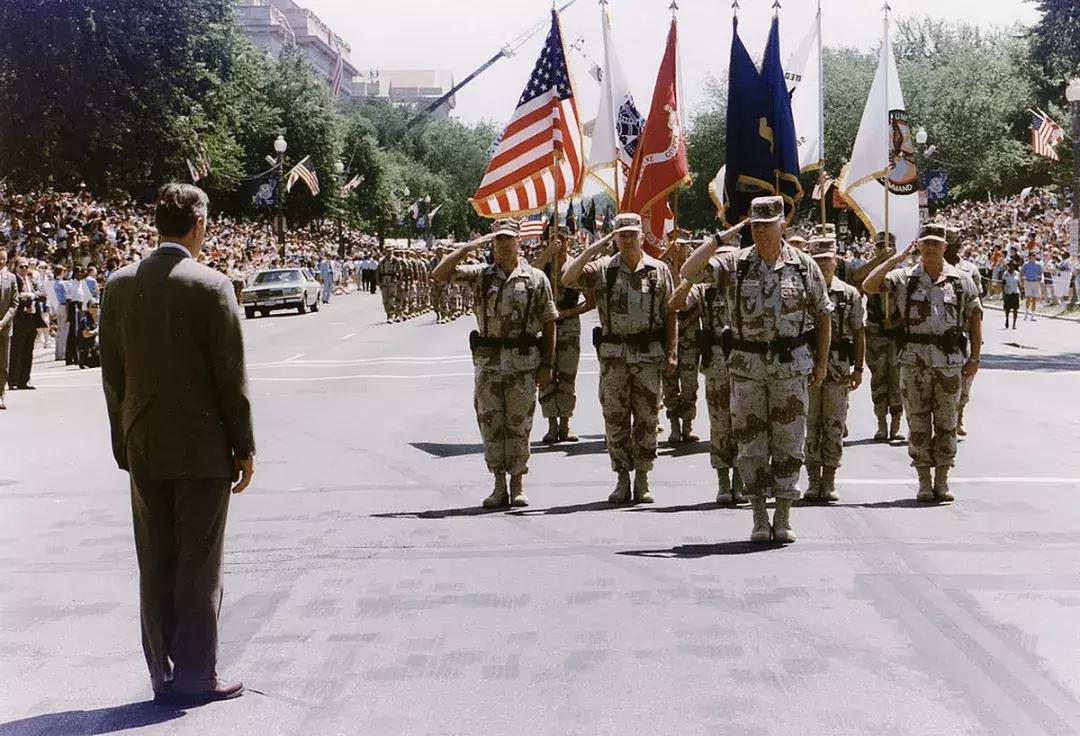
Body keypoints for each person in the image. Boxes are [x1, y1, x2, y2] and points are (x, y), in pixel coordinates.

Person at [100, 183, 255, 707]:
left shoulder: (119, 285)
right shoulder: (212, 285)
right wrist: (245, 444)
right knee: (199, 559)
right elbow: (230, 375)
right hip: (204, 446)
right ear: (198, 225)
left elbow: (113, 376)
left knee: (155, 557)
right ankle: (196, 672)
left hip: (143, 440)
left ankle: (161, 671)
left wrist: (123, 438)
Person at [681, 196, 831, 543]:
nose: (762, 231)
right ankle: (759, 517)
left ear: (784, 225)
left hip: (790, 368)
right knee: (751, 443)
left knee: (790, 442)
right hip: (747, 370)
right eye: (756, 225)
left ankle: (784, 515)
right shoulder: (734, 264)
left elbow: (823, 314)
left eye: (769, 224)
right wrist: (722, 238)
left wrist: (821, 362)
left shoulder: (804, 266)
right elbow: (688, 272)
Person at [431, 219, 557, 508]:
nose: (503, 244)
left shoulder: (536, 278)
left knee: (520, 425)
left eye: (508, 239)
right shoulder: (481, 275)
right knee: (491, 425)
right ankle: (499, 484)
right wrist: (470, 246)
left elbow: (550, 322)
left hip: (524, 364)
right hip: (489, 365)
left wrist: (547, 365)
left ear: (518, 242)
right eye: (498, 239)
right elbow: (440, 274)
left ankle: (518, 483)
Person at [562, 213, 677, 505]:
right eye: (621, 235)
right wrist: (594, 247)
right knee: (615, 419)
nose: (627, 240)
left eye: (631, 234)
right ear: (614, 237)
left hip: (649, 355)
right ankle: (622, 478)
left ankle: (643, 476)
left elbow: (670, 312)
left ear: (641, 236)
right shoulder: (603, 269)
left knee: (647, 419)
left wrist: (672, 350)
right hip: (614, 357)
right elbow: (567, 277)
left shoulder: (658, 269)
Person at [863, 223, 982, 503]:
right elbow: (869, 285)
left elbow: (974, 319)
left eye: (935, 243)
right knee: (917, 422)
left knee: (947, 423)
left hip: (949, 362)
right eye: (925, 243)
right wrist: (893, 259)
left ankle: (942, 479)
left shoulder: (961, 280)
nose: (930, 248)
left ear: (944, 246)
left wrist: (975, 358)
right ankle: (924, 481)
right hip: (914, 360)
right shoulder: (904, 278)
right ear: (918, 246)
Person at [669, 226, 745, 504]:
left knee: (746, 424)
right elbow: (676, 303)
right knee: (721, 424)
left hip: (746, 361)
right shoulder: (704, 289)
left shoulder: (747, 283)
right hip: (716, 364)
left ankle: (742, 480)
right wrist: (688, 279)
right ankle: (724, 482)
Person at [801, 228, 865, 503]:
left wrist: (859, 368)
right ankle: (813, 480)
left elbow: (859, 332)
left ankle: (830, 479)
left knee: (835, 424)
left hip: (839, 367)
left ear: (836, 262)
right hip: (808, 365)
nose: (824, 263)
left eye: (828, 258)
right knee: (810, 423)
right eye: (818, 259)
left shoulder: (849, 294)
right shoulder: (803, 292)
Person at [533, 228, 595, 444]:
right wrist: (547, 254)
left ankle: (565, 424)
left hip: (568, 326)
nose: (559, 242)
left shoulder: (574, 266)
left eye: (562, 239)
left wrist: (567, 313)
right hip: (545, 327)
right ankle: (551, 424)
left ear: (569, 241)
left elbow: (590, 302)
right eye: (553, 238)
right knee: (546, 376)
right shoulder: (543, 265)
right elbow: (529, 274)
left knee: (567, 376)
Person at [852, 232, 905, 442]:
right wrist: (879, 260)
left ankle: (896, 424)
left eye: (889, 245)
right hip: (875, 332)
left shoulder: (902, 273)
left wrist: (897, 322)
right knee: (879, 380)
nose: (885, 248)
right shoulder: (871, 271)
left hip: (897, 333)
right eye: (881, 245)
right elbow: (857, 278)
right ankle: (881, 424)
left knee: (898, 380)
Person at [661, 238, 702, 444]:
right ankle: (674, 427)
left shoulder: (694, 273)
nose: (679, 250)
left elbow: (685, 304)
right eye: (676, 246)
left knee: (689, 385)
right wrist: (667, 255)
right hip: (668, 338)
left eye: (684, 247)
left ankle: (687, 426)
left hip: (689, 338)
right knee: (669, 384)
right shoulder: (663, 271)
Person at [945, 227, 982, 437]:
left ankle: (959, 415)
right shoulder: (934, 267)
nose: (955, 246)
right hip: (944, 330)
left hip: (964, 333)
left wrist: (978, 340)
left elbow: (977, 306)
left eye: (957, 242)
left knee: (966, 377)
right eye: (950, 243)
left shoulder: (969, 270)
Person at [7, 257, 47, 395]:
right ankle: (12, 381)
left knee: (28, 351)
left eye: (26, 267)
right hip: (20, 318)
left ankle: (24, 380)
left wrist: (30, 295)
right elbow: (15, 297)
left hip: (32, 319)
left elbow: (42, 294)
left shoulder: (31, 280)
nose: (24, 269)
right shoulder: (14, 280)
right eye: (21, 267)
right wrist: (27, 298)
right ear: (16, 267)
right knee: (16, 351)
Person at [0, 247, 16, 409]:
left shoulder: (10, 278)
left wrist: (3, 321)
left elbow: (14, 302)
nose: (1, 261)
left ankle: (1, 394)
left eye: (3, 258)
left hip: (4, 328)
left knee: (3, 363)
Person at [1020, 251, 1042, 321]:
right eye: (1033, 255)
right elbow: (1021, 272)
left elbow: (1041, 272)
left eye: (1035, 255)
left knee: (1034, 299)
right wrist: (1022, 281)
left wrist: (1040, 278)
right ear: (1030, 256)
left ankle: (1033, 315)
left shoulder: (1038, 264)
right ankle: (1026, 312)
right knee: (1028, 298)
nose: (1034, 257)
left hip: (1035, 282)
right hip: (1028, 282)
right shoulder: (1026, 264)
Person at [1002, 262, 1021, 328]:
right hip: (1008, 292)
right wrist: (1003, 293)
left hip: (1015, 292)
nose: (1011, 267)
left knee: (1015, 309)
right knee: (1007, 309)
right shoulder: (1005, 274)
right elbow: (1003, 284)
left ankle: (1014, 324)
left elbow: (1019, 283)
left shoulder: (1017, 273)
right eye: (1010, 266)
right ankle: (1007, 319)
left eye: (1012, 266)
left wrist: (1021, 291)